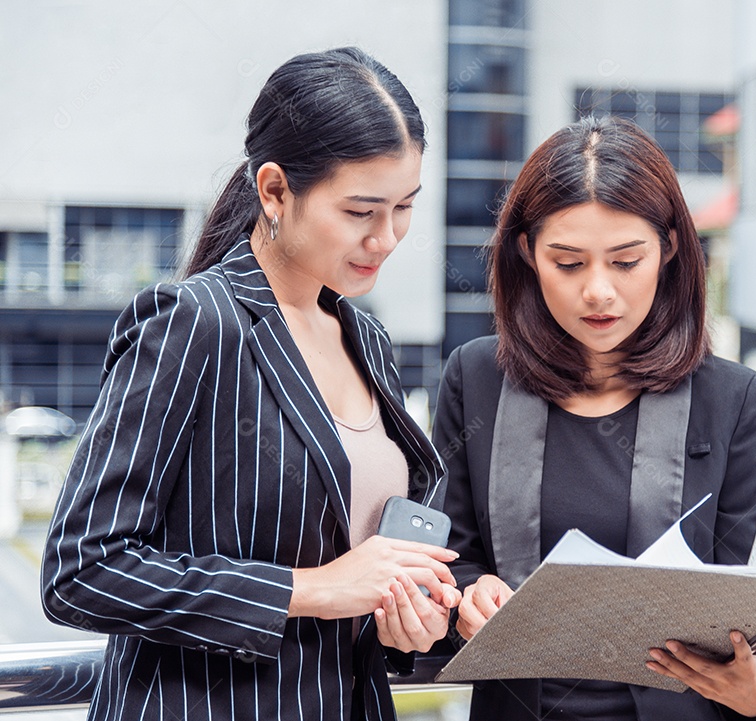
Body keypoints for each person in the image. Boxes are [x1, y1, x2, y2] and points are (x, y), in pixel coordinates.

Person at [40, 47, 460, 721]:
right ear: (274, 190)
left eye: (404, 207)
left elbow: (358, 578)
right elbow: (82, 571)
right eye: (361, 211)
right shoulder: (192, 322)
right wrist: (310, 589)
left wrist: (405, 624)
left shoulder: (367, 338)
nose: (387, 238)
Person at [433, 115, 756, 720]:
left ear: (670, 249)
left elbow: (755, 614)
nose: (598, 292)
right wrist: (469, 594)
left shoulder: (734, 402)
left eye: (626, 262)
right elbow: (449, 557)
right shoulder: (476, 380)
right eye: (568, 264)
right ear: (526, 253)